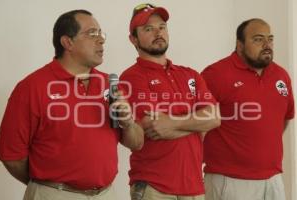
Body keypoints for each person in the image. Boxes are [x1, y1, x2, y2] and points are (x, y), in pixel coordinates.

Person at [0, 9, 144, 200]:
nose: (101, 40)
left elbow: (137, 143)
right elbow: (11, 155)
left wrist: (128, 123)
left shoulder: (110, 84)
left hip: (107, 194)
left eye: (101, 34)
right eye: (92, 34)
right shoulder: (32, 87)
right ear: (67, 42)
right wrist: (46, 185)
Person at [120, 3, 221, 200]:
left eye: (162, 27)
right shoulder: (131, 78)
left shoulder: (190, 74)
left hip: (194, 187)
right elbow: (154, 126)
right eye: (148, 29)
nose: (158, 33)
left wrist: (172, 123)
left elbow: (215, 118)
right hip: (154, 188)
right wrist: (196, 123)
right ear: (133, 39)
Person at [201, 18, 295, 200]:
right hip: (230, 181)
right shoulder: (215, 75)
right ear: (240, 45)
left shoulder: (281, 75)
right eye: (258, 39)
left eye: (270, 39)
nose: (267, 45)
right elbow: (196, 123)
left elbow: (283, 118)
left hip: (273, 180)